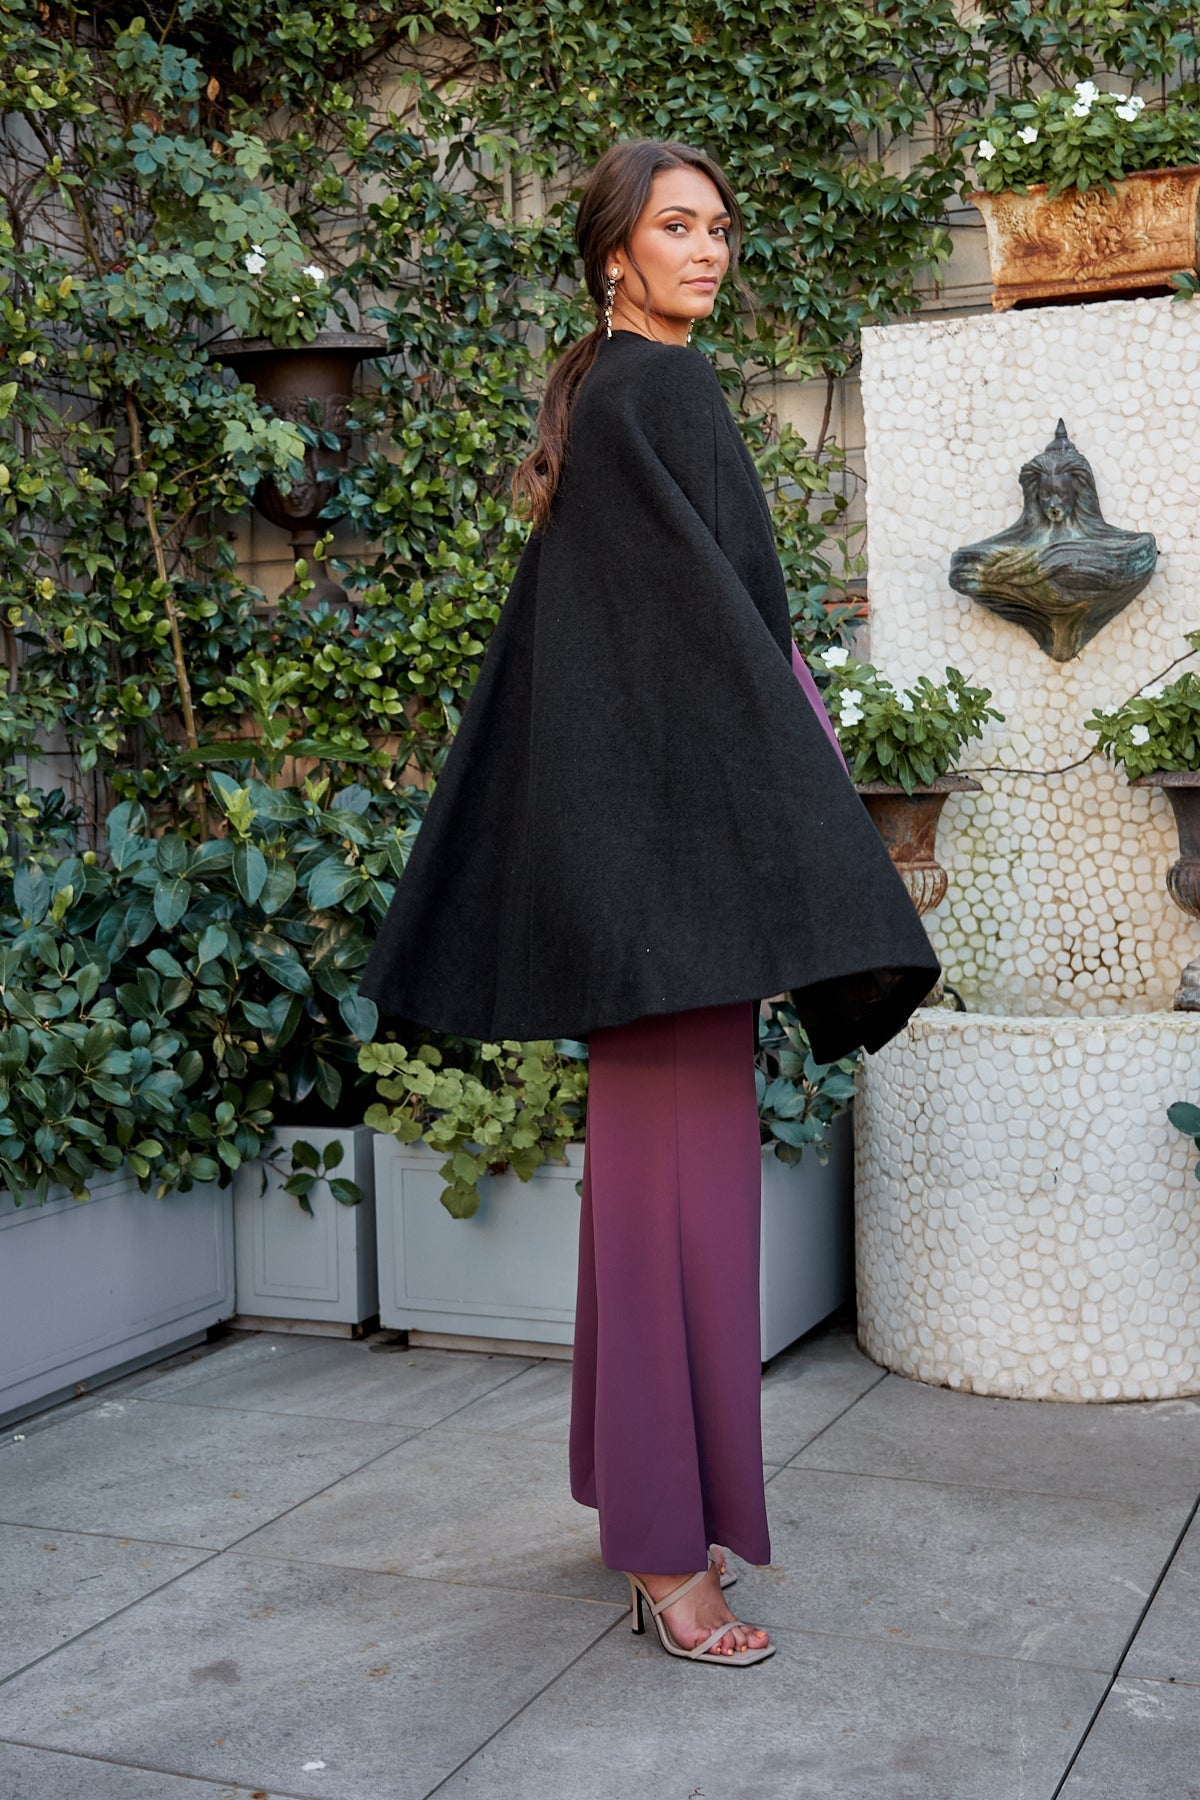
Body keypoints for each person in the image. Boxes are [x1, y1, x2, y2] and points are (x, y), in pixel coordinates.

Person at [358, 138, 940, 1667]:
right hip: (687, 893)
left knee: (643, 1208)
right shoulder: (660, 394)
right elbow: (747, 642)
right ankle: (670, 1558)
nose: (709, 250)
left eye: (721, 227)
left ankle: (643, 1505)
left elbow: (663, 659)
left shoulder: (607, 401)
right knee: (685, 1217)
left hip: (647, 891)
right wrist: (811, 826)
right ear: (615, 253)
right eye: (678, 227)